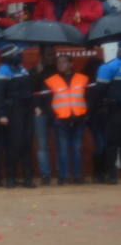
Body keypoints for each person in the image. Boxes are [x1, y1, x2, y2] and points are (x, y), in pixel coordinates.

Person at [0, 45, 35, 188]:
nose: (20, 55)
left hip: (26, 111)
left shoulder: (22, 69)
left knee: (27, 143)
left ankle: (28, 178)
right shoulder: (3, 70)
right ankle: (11, 177)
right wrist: (2, 114)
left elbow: (29, 90)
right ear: (10, 56)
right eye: (17, 54)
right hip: (12, 111)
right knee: (14, 145)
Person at [45, 53, 88, 184]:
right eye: (58, 63)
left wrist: (86, 115)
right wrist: (54, 115)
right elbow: (46, 100)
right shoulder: (51, 80)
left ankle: (77, 176)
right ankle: (63, 176)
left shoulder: (83, 79)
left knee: (76, 148)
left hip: (79, 118)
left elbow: (89, 98)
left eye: (63, 62)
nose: (60, 65)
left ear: (71, 64)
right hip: (61, 119)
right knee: (62, 149)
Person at [97, 47, 121, 184]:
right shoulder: (111, 66)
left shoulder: (109, 67)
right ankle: (111, 174)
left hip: (115, 110)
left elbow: (99, 90)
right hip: (114, 109)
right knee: (112, 144)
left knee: (112, 144)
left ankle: (111, 175)